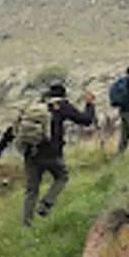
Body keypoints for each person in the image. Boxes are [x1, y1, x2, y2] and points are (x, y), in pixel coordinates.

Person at [18, 81, 95, 226]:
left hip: (31, 153)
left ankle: (25, 225)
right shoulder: (62, 106)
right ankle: (45, 204)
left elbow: (14, 130)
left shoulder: (37, 107)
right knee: (62, 176)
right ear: (63, 95)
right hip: (51, 154)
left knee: (31, 190)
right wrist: (90, 104)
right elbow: (86, 120)